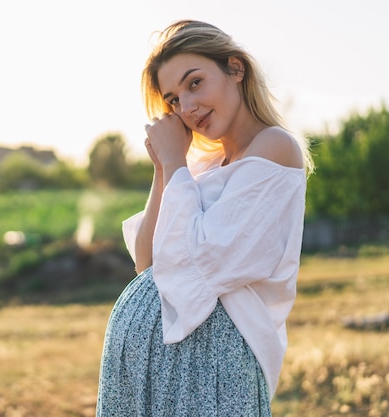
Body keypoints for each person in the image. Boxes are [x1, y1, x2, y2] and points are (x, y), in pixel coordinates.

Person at [96, 19, 313, 416]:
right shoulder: (201, 167)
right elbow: (146, 263)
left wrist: (176, 160)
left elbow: (200, 264)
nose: (187, 108)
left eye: (194, 83)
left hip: (212, 366)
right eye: (173, 100)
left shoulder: (274, 147)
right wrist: (165, 167)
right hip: (148, 372)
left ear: (235, 69)